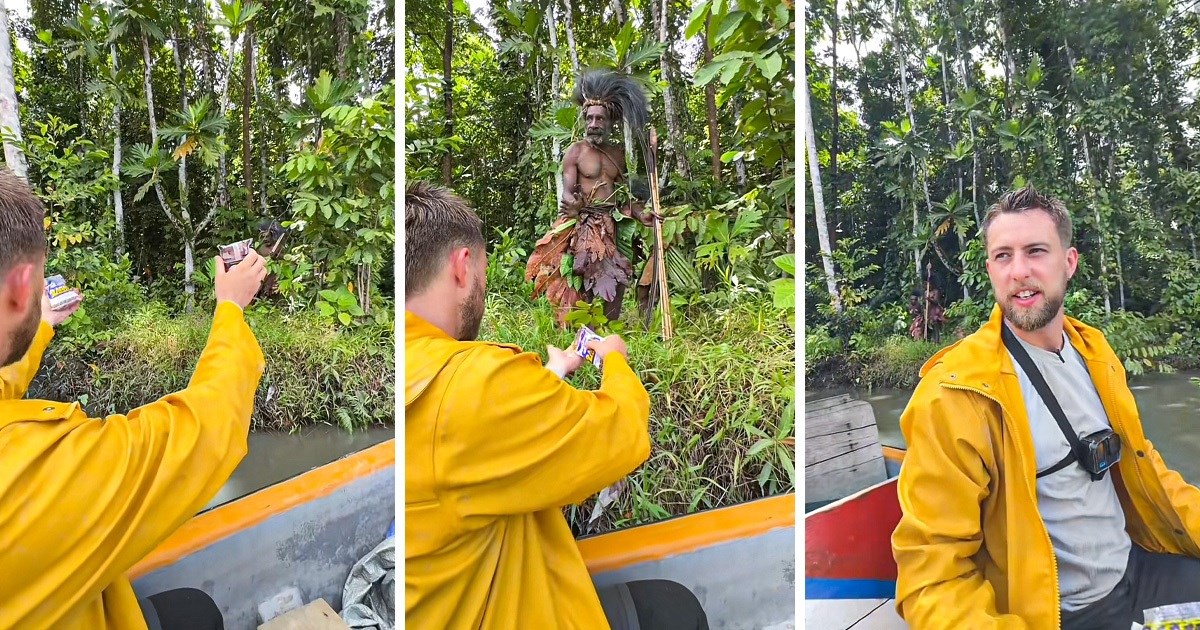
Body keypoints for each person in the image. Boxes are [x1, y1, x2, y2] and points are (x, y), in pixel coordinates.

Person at [891, 186, 1200, 629]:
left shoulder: (1095, 352)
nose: (1019, 271)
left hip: (1139, 570)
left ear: (1068, 262)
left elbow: (1147, 469)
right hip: (1064, 614)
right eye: (1003, 256)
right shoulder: (956, 394)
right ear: (990, 270)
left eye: (1036, 251)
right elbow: (933, 574)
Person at [405, 181, 707, 629]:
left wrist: (550, 375)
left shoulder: (413, 368)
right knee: (674, 611)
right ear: (463, 266)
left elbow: (470, 436)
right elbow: (621, 434)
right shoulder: (476, 381)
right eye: (485, 276)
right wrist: (617, 362)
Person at [0, 171, 267, 629]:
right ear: (22, 288)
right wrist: (230, 308)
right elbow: (205, 429)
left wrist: (38, 324)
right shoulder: (37, 474)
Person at [526, 68, 658, 325]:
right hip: (585, 223)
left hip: (613, 222)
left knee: (618, 273)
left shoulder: (617, 154)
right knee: (581, 275)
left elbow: (623, 194)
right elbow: (567, 191)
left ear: (609, 123)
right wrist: (573, 207)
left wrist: (641, 214)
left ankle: (610, 326)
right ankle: (579, 328)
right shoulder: (575, 152)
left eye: (600, 119)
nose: (594, 124)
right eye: (590, 118)